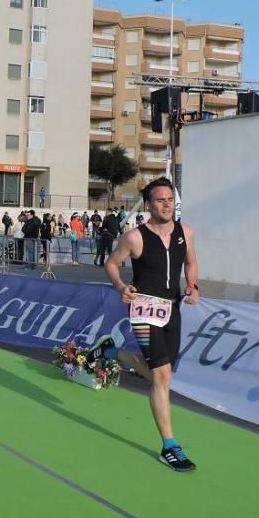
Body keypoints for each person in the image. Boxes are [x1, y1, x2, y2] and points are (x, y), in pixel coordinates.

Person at [89, 177, 200, 472]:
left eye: (170, 200)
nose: (166, 205)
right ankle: (170, 446)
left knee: (160, 377)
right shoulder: (135, 237)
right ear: (149, 205)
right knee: (162, 378)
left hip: (172, 309)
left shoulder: (185, 232)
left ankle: (111, 353)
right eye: (160, 200)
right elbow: (112, 263)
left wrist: (193, 285)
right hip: (143, 310)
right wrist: (120, 286)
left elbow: (191, 263)